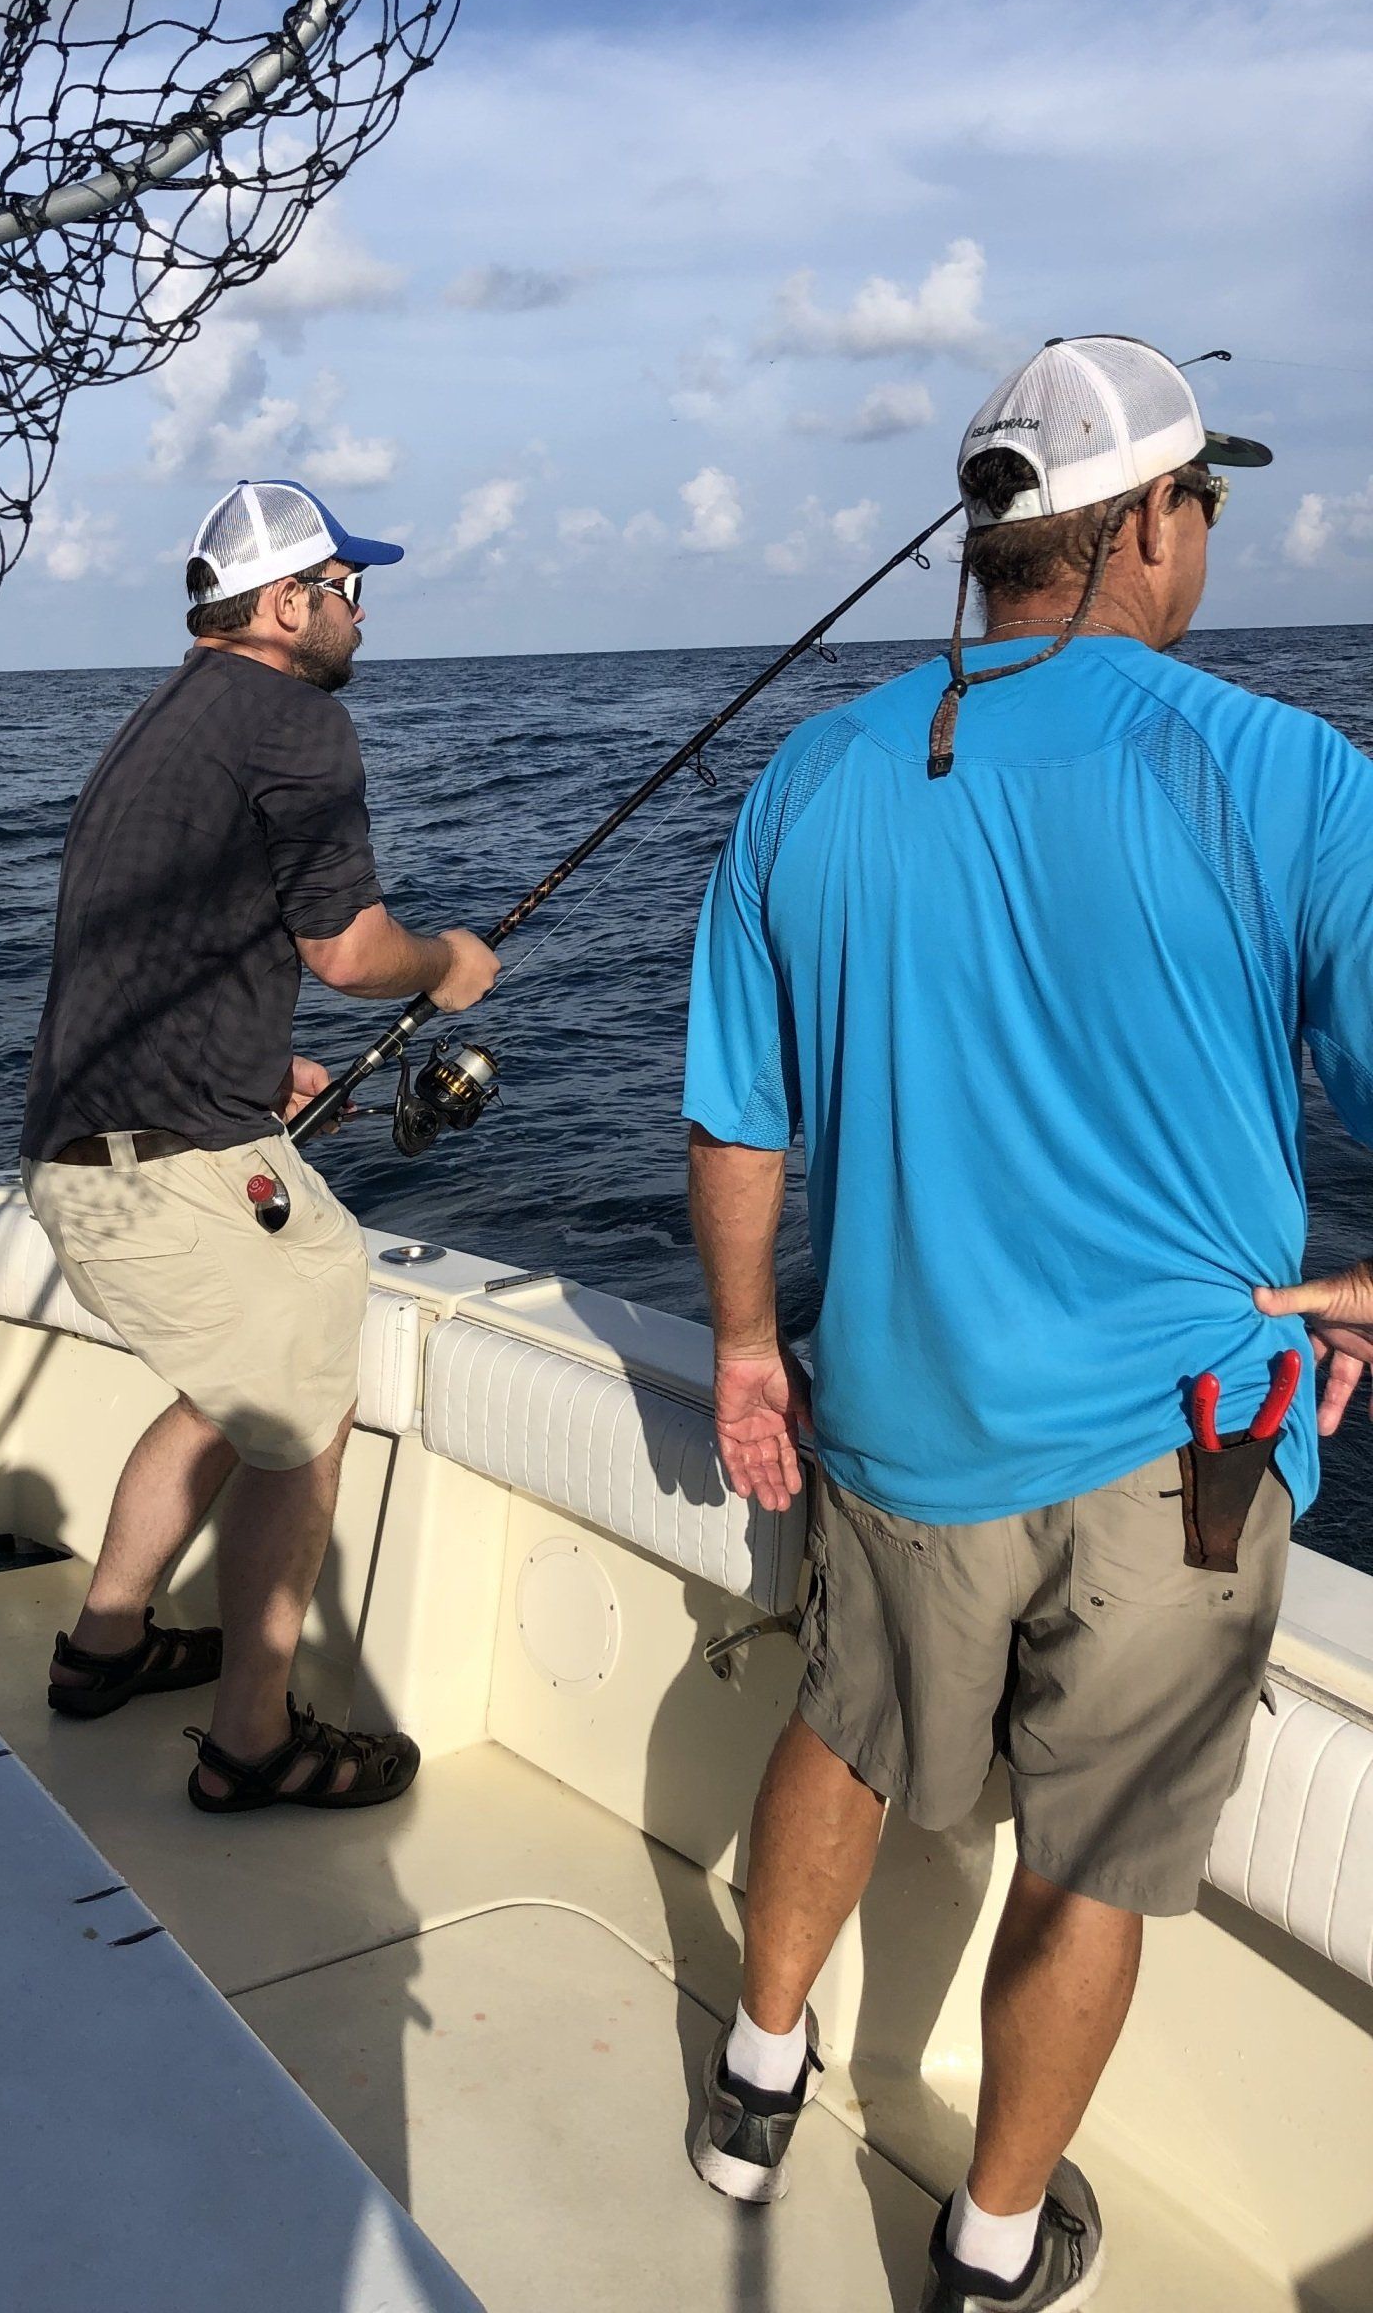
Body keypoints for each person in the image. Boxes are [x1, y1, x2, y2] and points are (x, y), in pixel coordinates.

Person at [682, 336, 1373, 2313]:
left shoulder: (814, 774)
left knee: (845, 1719)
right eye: (1208, 502)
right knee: (1093, 1854)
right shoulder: (1288, 771)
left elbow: (740, 1108)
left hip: (895, 1425)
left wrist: (746, 1342)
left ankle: (755, 2075)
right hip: (1191, 1457)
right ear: (1153, 516)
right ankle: (989, 2246)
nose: (1210, 536)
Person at [21, 477, 499, 1813]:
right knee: (300, 1399)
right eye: (347, 590)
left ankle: (105, 1651)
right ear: (289, 605)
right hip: (157, 1170)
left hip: (87, 1150)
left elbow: (152, 958)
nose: (359, 614)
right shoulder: (294, 725)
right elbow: (351, 953)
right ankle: (250, 1742)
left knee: (241, 1374)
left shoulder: (158, 727)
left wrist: (253, 1071)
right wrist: (449, 961)